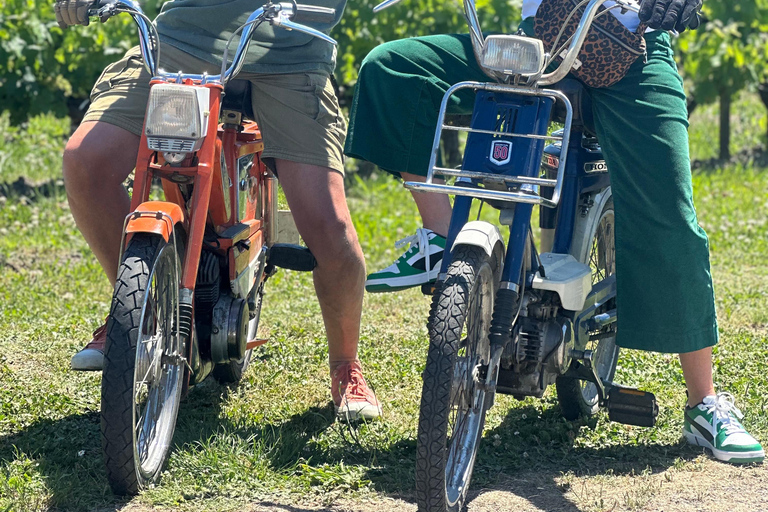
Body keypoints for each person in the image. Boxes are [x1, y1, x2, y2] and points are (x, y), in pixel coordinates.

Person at [344, 0, 764, 461]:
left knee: (669, 212)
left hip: (632, 49)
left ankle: (703, 404)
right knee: (393, 69)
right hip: (540, 45)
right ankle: (442, 233)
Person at [56, 0, 381, 422]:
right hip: (180, 45)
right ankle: (145, 316)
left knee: (330, 227)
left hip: (290, 60)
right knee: (86, 162)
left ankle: (345, 366)